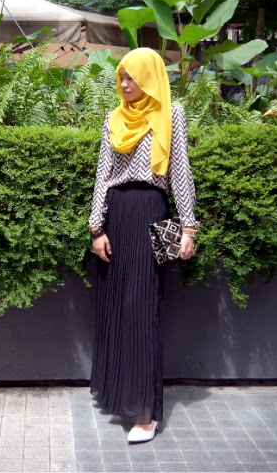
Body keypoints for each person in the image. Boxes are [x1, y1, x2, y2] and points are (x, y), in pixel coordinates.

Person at [88, 47, 198, 443]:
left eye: (130, 77)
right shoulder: (114, 119)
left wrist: (188, 227)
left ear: (149, 77)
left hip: (151, 210)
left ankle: (145, 414)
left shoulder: (171, 115)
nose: (124, 84)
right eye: (121, 77)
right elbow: (103, 174)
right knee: (119, 306)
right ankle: (121, 395)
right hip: (116, 216)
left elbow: (180, 172)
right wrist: (96, 227)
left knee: (143, 308)